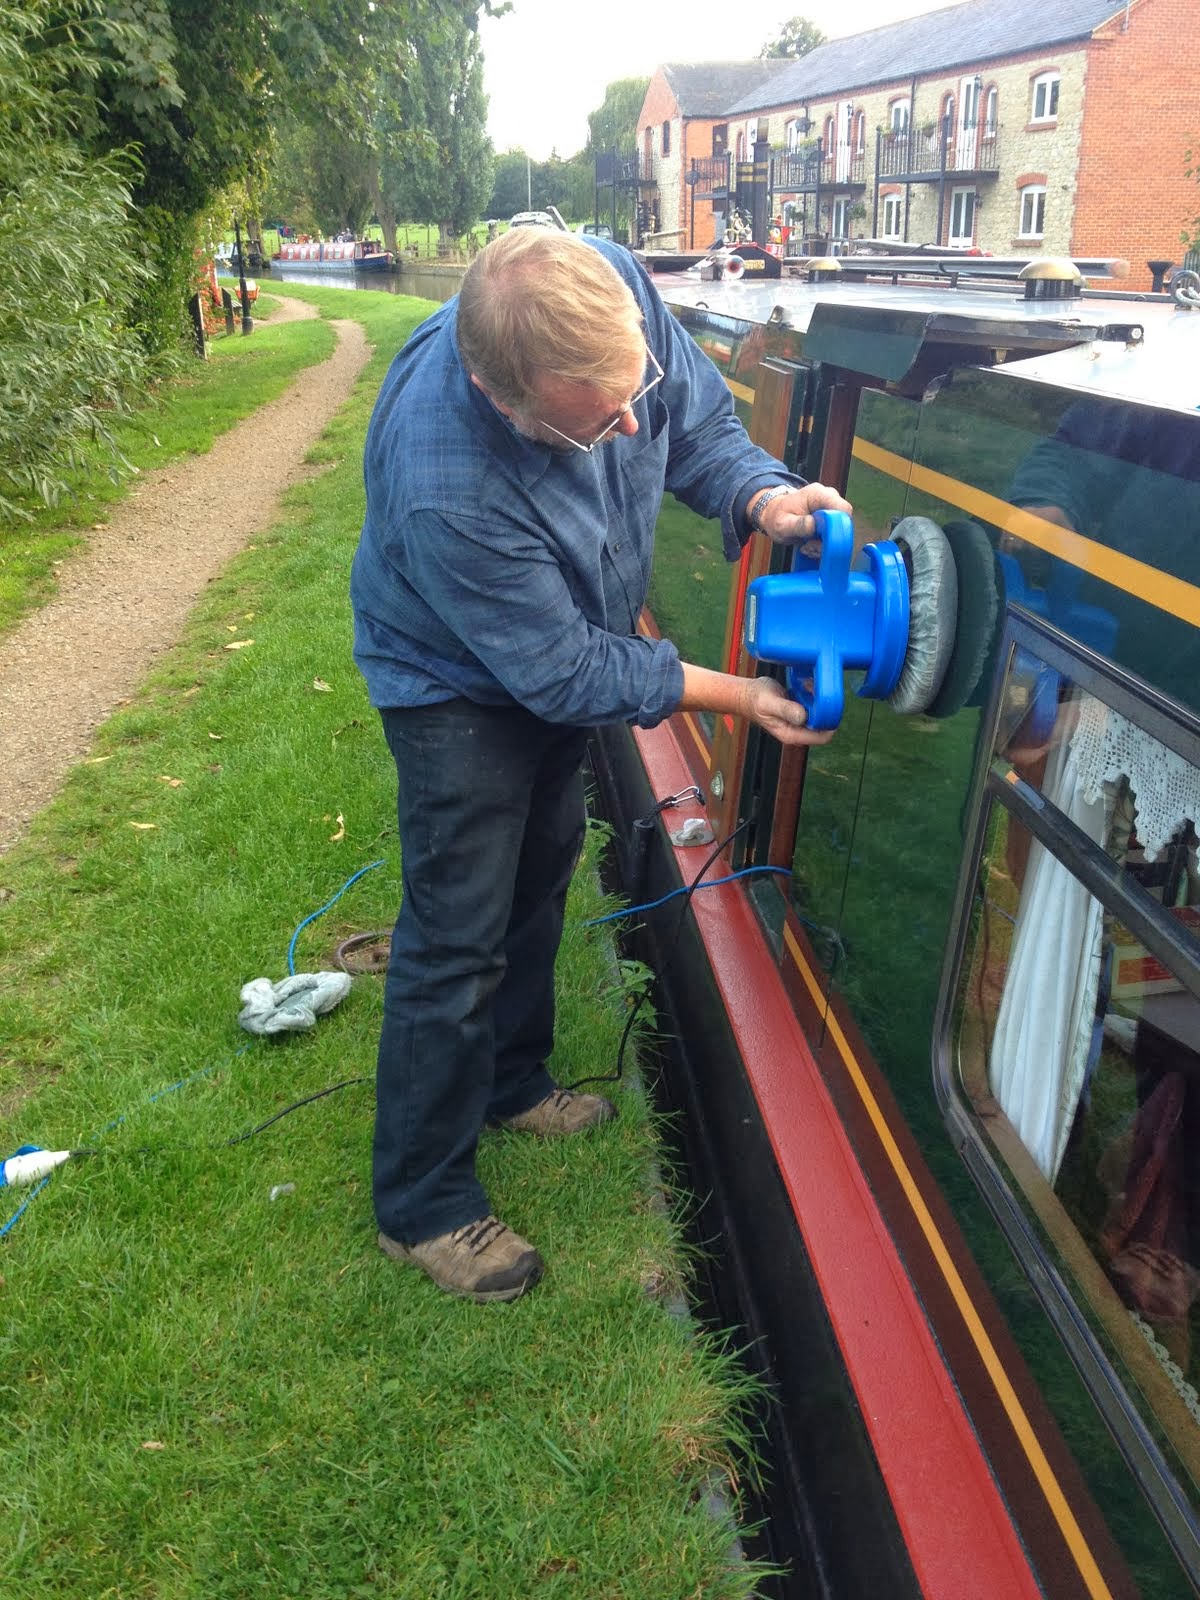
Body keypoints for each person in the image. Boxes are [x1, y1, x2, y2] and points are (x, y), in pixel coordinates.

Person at [350, 227, 850, 1303]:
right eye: (599, 421)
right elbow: (568, 673)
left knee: (543, 866)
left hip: (555, 634)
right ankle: (423, 1203)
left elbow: (695, 425)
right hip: (453, 682)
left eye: (633, 393)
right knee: (456, 929)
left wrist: (764, 495)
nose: (632, 428)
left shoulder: (604, 287)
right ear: (505, 396)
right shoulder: (450, 478)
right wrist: (744, 697)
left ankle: (510, 1081)